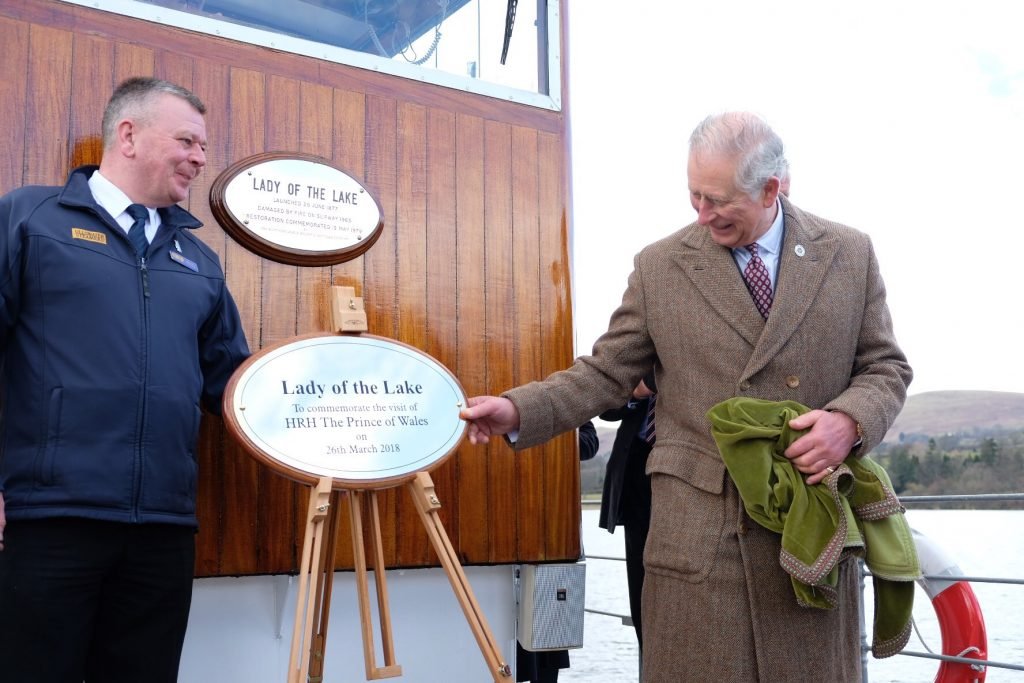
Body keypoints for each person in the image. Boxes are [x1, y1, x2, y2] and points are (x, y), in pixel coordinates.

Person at [460, 111, 912, 682]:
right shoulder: (660, 267)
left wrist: (848, 423)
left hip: (809, 539)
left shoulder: (850, 254)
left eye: (717, 200)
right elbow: (605, 373)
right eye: (693, 196)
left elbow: (885, 368)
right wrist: (518, 410)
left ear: (772, 188)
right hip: (698, 547)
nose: (701, 215)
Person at [0, 76, 250, 682]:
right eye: (187, 141)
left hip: (162, 532)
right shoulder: (29, 218)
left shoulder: (200, 262)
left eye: (203, 146)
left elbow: (238, 388)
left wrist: (332, 417)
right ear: (129, 135)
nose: (199, 158)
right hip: (47, 522)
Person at [516, 421, 598, 683]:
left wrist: (544, 430)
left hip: (552, 529)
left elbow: (589, 443)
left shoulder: (560, 384)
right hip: (506, 524)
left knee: (549, 635)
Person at [598, 373, 656, 651]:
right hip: (635, 473)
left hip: (691, 469)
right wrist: (636, 392)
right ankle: (650, 657)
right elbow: (605, 406)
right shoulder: (642, 351)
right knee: (640, 578)